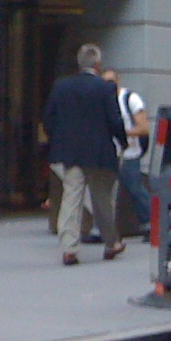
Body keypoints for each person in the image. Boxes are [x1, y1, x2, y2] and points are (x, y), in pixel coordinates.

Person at [42, 43, 127, 266]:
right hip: (99, 153)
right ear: (97, 64)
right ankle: (112, 243)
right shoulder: (105, 88)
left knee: (71, 199)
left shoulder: (61, 86)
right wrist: (123, 143)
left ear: (79, 63)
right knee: (102, 201)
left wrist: (58, 140)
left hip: (70, 153)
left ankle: (69, 248)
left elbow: (48, 118)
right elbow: (115, 120)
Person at [101, 68, 151, 237]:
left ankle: (150, 221)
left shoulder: (130, 99)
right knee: (104, 191)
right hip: (110, 152)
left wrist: (123, 133)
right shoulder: (103, 101)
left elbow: (143, 128)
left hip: (129, 152)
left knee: (135, 189)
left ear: (118, 81)